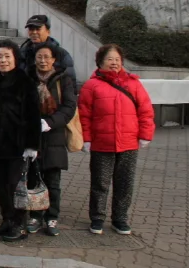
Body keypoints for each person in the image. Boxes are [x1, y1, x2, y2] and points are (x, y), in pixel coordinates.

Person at [78, 44, 155, 236]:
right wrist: (86, 139)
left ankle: (120, 219)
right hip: (101, 144)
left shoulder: (133, 84)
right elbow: (84, 115)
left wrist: (146, 134)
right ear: (100, 62)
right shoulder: (91, 86)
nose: (114, 63)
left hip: (128, 143)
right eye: (110, 59)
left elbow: (145, 111)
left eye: (117, 60)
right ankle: (97, 218)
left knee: (124, 183)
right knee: (100, 183)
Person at [0, 40, 41, 242]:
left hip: (17, 143)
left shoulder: (24, 81)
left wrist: (32, 145)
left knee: (15, 185)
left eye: (7, 56)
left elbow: (33, 115)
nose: (3, 60)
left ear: (16, 58)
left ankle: (20, 224)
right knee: (0, 184)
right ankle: (7, 220)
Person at [26, 43, 77, 236]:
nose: (43, 60)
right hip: (32, 133)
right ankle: (35, 215)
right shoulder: (28, 78)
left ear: (54, 59)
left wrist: (50, 122)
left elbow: (69, 107)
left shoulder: (63, 80)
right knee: (33, 178)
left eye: (47, 57)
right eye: (39, 56)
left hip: (54, 135)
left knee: (53, 181)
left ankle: (51, 216)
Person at [20, 15, 75, 81]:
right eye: (31, 29)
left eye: (38, 29)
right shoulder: (22, 52)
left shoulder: (61, 54)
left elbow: (70, 82)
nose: (34, 32)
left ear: (48, 32)